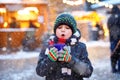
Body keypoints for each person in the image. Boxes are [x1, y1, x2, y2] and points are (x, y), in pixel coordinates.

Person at [36, 13, 93, 80]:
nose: (63, 30)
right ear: (55, 30)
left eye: (67, 28)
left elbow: (87, 72)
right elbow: (40, 71)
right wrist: (50, 60)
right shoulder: (48, 46)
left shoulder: (80, 47)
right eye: (59, 27)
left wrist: (71, 60)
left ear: (72, 31)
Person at [107, 5, 120, 73]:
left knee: (113, 54)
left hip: (112, 39)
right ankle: (119, 68)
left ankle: (113, 68)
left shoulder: (110, 18)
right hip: (119, 39)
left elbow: (108, 27)